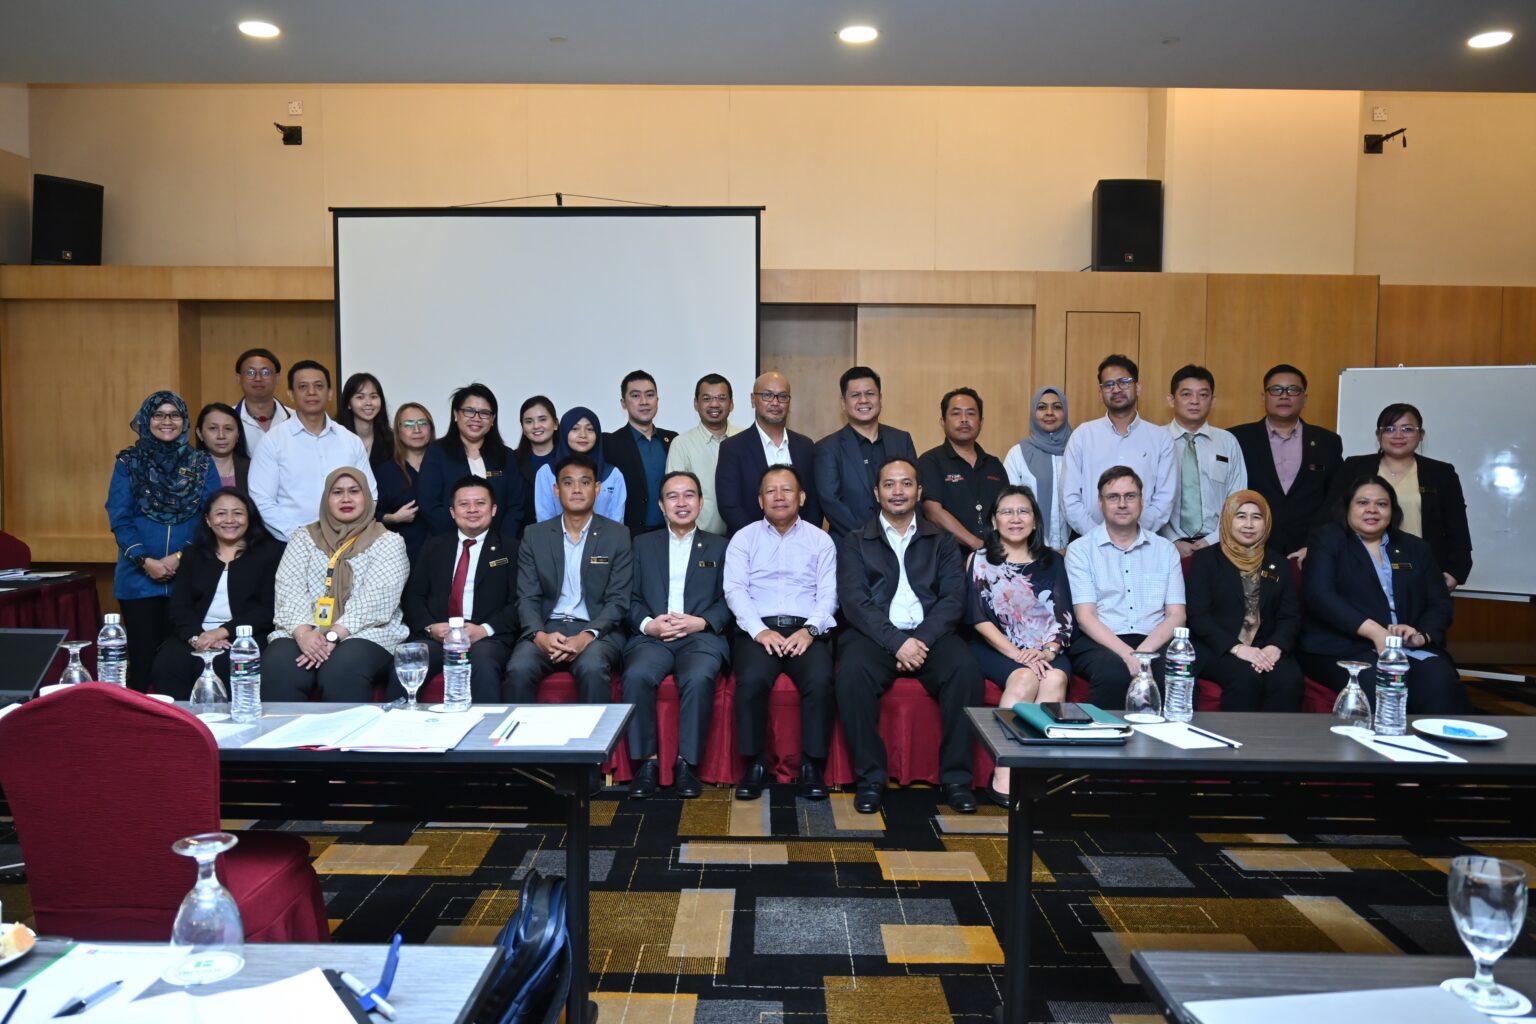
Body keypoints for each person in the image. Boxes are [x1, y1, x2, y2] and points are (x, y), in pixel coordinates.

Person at [836, 457, 982, 815]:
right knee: (851, 674)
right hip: (875, 636)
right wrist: (896, 642)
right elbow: (855, 603)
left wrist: (920, 640)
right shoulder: (855, 541)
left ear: (919, 491)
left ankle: (957, 779)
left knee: (965, 671)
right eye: (889, 484)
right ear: (877, 493)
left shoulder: (942, 540)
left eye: (906, 483)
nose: (897, 491)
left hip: (930, 633)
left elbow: (953, 599)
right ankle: (870, 778)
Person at [1300, 475, 1468, 713]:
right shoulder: (1328, 540)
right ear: (1347, 507)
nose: (1372, 510)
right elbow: (1320, 595)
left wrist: (1421, 635)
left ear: (1392, 510)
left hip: (1407, 647)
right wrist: (1376, 632)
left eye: (1381, 504)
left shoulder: (1416, 548)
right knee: (1380, 681)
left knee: (1439, 680)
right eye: (1362, 503)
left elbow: (1439, 602)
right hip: (1343, 648)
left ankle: (1434, 738)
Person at [723, 466, 838, 801]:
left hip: (807, 628)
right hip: (758, 628)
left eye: (786, 490)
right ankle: (755, 764)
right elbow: (735, 590)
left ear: (801, 497)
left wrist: (810, 630)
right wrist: (760, 631)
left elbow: (829, 594)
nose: (779, 497)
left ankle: (811, 766)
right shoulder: (743, 539)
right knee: (751, 681)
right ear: (760, 500)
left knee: (820, 680)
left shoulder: (820, 540)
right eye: (770, 491)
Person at [621, 470, 730, 800]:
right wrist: (648, 624)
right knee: (637, 675)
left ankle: (686, 764)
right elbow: (626, 597)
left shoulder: (721, 546)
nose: (681, 503)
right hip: (653, 636)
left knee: (698, 677)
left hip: (700, 637)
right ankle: (648, 763)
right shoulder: (641, 544)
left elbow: (731, 599)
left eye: (689, 495)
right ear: (661, 505)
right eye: (672, 496)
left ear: (701, 502)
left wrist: (702, 622)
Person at [106, 391, 222, 692]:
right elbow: (120, 517)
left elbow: (212, 517)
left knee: (184, 660)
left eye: (174, 415)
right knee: (143, 662)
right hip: (138, 579)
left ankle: (183, 720)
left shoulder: (201, 464)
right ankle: (140, 719)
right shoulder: (128, 463)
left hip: (190, 578)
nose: (166, 421)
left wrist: (180, 558)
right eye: (158, 415)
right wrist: (145, 560)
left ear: (185, 422)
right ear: (146, 420)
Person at [966, 485, 1073, 801]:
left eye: (1023, 511)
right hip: (997, 647)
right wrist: (1018, 654)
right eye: (1007, 512)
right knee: (1025, 678)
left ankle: (1035, 775)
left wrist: (1048, 651)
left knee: (1054, 678)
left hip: (1046, 648)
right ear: (994, 520)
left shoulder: (1052, 560)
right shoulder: (980, 560)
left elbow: (1064, 614)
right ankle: (1005, 773)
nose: (1016, 519)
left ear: (1035, 520)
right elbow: (977, 617)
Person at [265, 467, 409, 701]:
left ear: (367, 497)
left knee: (342, 669)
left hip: (368, 631)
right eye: (337, 492)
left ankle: (347, 728)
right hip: (304, 627)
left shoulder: (388, 541)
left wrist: (332, 636)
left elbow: (375, 601)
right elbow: (289, 590)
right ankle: (287, 727)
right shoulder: (303, 537)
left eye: (354, 491)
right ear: (326, 499)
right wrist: (304, 634)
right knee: (279, 665)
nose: (346, 498)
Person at [507, 454, 633, 704]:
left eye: (585, 482)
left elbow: (618, 600)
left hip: (596, 631)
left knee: (592, 667)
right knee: (519, 668)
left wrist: (586, 636)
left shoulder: (618, 535)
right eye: (568, 483)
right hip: (547, 627)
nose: (576, 489)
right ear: (556, 489)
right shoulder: (535, 535)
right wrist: (539, 636)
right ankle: (519, 732)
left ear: (597, 488)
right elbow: (527, 596)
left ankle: (596, 733)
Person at [1065, 466, 1186, 709]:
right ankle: (1106, 733)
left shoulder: (1165, 550)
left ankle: (1167, 735)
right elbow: (1086, 618)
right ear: (1100, 502)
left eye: (1130, 496)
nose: (1122, 504)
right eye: (1113, 497)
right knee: (1113, 673)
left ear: (1141, 501)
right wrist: (1127, 655)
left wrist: (1144, 653)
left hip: (1154, 638)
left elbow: (1177, 615)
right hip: (1101, 639)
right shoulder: (1081, 550)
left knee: (1174, 670)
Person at [150, 488, 281, 700]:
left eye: (238, 513)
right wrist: (198, 638)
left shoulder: (270, 553)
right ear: (208, 520)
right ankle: (177, 720)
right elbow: (180, 607)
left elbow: (267, 610)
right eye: (221, 513)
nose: (229, 520)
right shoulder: (193, 555)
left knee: (223, 662)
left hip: (244, 635)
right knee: (169, 663)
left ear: (250, 518)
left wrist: (221, 632)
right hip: (195, 633)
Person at [1329, 403, 1472, 591]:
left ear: (1421, 435)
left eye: (1407, 429)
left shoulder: (1441, 473)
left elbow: (1457, 526)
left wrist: (1456, 572)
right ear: (1378, 435)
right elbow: (1332, 515)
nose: (1398, 435)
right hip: (1360, 569)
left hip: (1422, 572)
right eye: (1389, 429)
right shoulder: (1354, 467)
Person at [399, 475, 517, 702]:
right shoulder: (434, 546)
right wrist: (431, 627)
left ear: (493, 509)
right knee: (411, 659)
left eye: (480, 503)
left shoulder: (512, 549)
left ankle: (484, 725)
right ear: (453, 512)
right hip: (438, 636)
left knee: (483, 663)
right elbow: (413, 596)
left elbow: (519, 601)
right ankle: (400, 721)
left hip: (486, 638)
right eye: (464, 504)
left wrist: (484, 630)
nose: (472, 510)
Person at [1183, 491, 1304, 711]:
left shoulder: (1278, 563)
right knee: (1245, 678)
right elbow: (1198, 616)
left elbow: (1290, 616)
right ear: (1228, 519)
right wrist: (1237, 648)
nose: (1248, 524)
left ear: (1266, 522)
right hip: (1218, 647)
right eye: (1240, 516)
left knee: (1288, 679)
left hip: (1265, 646)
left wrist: (1276, 646)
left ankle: (1280, 737)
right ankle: (1238, 735)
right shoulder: (1205, 560)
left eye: (1256, 517)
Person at [247, 360, 377, 542]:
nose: (311, 392)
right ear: (291, 394)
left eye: (318, 386)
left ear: (330, 393)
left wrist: (348, 534)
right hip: (291, 544)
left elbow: (370, 494)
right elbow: (261, 500)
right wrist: (301, 538)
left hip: (347, 543)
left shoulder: (350, 440)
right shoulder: (272, 441)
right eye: (303, 387)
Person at [1230, 364, 1342, 560]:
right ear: (1263, 397)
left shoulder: (1327, 442)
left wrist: (1316, 543)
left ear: (1305, 398)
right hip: (1250, 547)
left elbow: (1335, 498)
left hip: (1310, 548)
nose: (1284, 396)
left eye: (1293, 390)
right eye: (1276, 390)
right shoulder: (1237, 438)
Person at [1062, 354, 1176, 538]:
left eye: (1124, 382)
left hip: (1144, 541)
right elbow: (1069, 497)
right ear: (1100, 394)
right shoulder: (1082, 435)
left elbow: (1164, 499)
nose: (1116, 389)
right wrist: (1097, 537)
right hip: (1089, 541)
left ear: (1138, 387)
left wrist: (1132, 535)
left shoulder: (1161, 439)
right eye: (1108, 384)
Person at [814, 366, 918, 538]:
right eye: (855, 395)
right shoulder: (827, 448)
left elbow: (914, 490)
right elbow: (831, 503)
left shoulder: (902, 439)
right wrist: (872, 540)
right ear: (843, 403)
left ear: (880, 398)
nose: (863, 400)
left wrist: (900, 535)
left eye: (870, 394)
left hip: (903, 540)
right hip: (851, 543)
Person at [715, 372, 820, 535]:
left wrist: (804, 538)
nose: (775, 402)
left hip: (801, 543)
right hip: (751, 543)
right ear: (753, 400)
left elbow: (813, 502)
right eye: (767, 395)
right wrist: (763, 540)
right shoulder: (732, 448)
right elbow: (729, 506)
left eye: (782, 396)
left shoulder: (805, 446)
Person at [1159, 365, 1248, 558]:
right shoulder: (1156, 440)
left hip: (1219, 545)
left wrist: (1213, 540)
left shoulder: (1227, 441)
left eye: (1203, 395)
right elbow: (1147, 498)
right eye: (1186, 394)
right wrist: (1172, 540)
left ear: (1212, 401)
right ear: (1171, 400)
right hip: (1164, 546)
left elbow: (1238, 496)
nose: (1195, 401)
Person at [418, 383, 526, 541]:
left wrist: (500, 541)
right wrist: (464, 540)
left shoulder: (506, 456)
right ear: (456, 415)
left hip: (499, 545)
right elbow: (429, 504)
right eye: (469, 411)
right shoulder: (437, 452)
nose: (476, 418)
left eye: (484, 413)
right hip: (449, 543)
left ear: (492, 420)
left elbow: (516, 506)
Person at [917, 387, 1007, 553]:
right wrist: (977, 545)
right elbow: (933, 512)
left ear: (981, 422)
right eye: (956, 413)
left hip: (995, 555)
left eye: (971, 413)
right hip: (948, 557)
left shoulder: (994, 464)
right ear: (942, 422)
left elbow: (1007, 510)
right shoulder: (930, 461)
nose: (964, 419)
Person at [605, 370, 678, 536]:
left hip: (671, 533)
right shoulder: (610, 444)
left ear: (657, 400)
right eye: (635, 396)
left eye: (650, 395)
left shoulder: (673, 439)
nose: (644, 401)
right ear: (623, 402)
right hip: (630, 535)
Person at [665, 373, 740, 536]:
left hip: (744, 537)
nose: (714, 404)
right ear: (696, 404)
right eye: (707, 399)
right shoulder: (681, 444)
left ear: (731, 404)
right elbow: (673, 497)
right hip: (700, 539)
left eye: (721, 398)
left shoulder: (745, 438)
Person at [1002, 386, 1073, 551]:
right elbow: (1011, 505)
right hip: (1029, 549)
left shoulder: (1077, 449)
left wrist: (1072, 549)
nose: (1049, 412)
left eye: (1057, 407)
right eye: (1042, 407)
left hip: (1075, 550)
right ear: (1033, 413)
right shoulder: (1018, 454)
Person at [532, 408, 627, 523]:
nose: (583, 435)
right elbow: (544, 520)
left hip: (606, 535)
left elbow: (616, 523)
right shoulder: (546, 473)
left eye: (590, 429)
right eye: (575, 429)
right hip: (555, 535)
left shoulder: (613, 475)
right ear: (564, 432)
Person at [376, 403, 434, 563]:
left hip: (442, 553)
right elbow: (370, 514)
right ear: (398, 430)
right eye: (409, 424)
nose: (417, 430)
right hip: (401, 557)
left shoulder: (444, 465)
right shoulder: (385, 471)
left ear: (431, 428)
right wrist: (392, 518)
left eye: (423, 423)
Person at [233, 347, 289, 458]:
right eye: (250, 372)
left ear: (277, 378)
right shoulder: (227, 419)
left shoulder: (296, 418)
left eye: (265, 372)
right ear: (239, 378)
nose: (258, 378)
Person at [514, 395, 559, 532]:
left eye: (542, 419)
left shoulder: (570, 460)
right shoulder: (512, 460)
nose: (536, 426)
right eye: (529, 421)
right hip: (522, 536)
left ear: (555, 423)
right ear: (523, 427)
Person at [336, 371, 395, 467]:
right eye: (360, 397)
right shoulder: (336, 439)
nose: (368, 403)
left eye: (373, 397)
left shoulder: (392, 441)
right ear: (348, 404)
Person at [194, 402, 248, 491]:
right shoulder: (187, 469)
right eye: (213, 428)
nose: (221, 435)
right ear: (200, 433)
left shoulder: (252, 469)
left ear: (238, 434)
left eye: (228, 429)